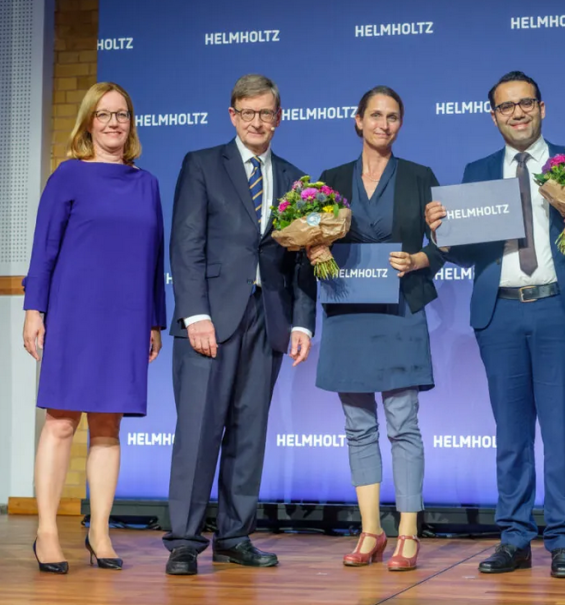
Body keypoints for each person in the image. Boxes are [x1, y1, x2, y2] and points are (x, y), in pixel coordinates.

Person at [425, 71, 565, 578]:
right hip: (501, 313)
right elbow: (467, 253)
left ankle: (563, 541)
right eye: (505, 106)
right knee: (510, 435)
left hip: (559, 307)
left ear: (542, 108)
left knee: (560, 433)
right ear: (493, 116)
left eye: (526, 103)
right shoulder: (480, 170)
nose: (517, 113)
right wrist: (443, 233)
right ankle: (514, 537)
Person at [163, 74, 316, 576]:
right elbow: (186, 244)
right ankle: (185, 539)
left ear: (279, 117)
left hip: (266, 317)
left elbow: (303, 261)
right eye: (247, 113)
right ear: (232, 115)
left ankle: (234, 535)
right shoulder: (203, 164)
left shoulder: (296, 178)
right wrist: (196, 314)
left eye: (265, 113)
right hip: (209, 320)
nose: (256, 122)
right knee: (198, 432)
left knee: (250, 433)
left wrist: (301, 323)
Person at [22, 82, 166, 573]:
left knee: (109, 426)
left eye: (121, 114)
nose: (113, 123)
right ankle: (45, 532)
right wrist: (33, 310)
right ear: (88, 123)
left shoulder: (146, 183)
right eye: (103, 115)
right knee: (62, 422)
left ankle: (100, 532)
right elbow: (44, 249)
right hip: (74, 313)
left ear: (131, 122)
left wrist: (154, 319)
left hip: (127, 317)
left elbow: (154, 259)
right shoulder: (69, 176)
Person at [311, 86, 444, 571]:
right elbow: (311, 239)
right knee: (357, 426)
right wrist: (316, 250)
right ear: (357, 120)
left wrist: (419, 258)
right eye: (375, 115)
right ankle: (371, 531)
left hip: (400, 312)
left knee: (403, 424)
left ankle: (408, 532)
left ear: (399, 125)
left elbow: (446, 244)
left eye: (392, 117)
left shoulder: (419, 177)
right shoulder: (328, 181)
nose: (383, 124)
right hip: (348, 312)